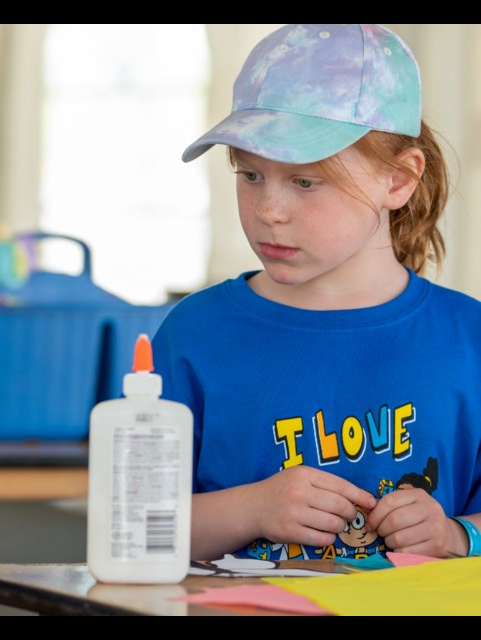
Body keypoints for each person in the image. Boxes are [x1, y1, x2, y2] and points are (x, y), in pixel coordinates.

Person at [152, 24, 481, 562]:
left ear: (398, 180)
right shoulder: (193, 335)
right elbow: (134, 532)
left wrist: (456, 535)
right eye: (250, 174)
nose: (267, 211)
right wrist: (252, 508)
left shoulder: (470, 340)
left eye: (304, 181)